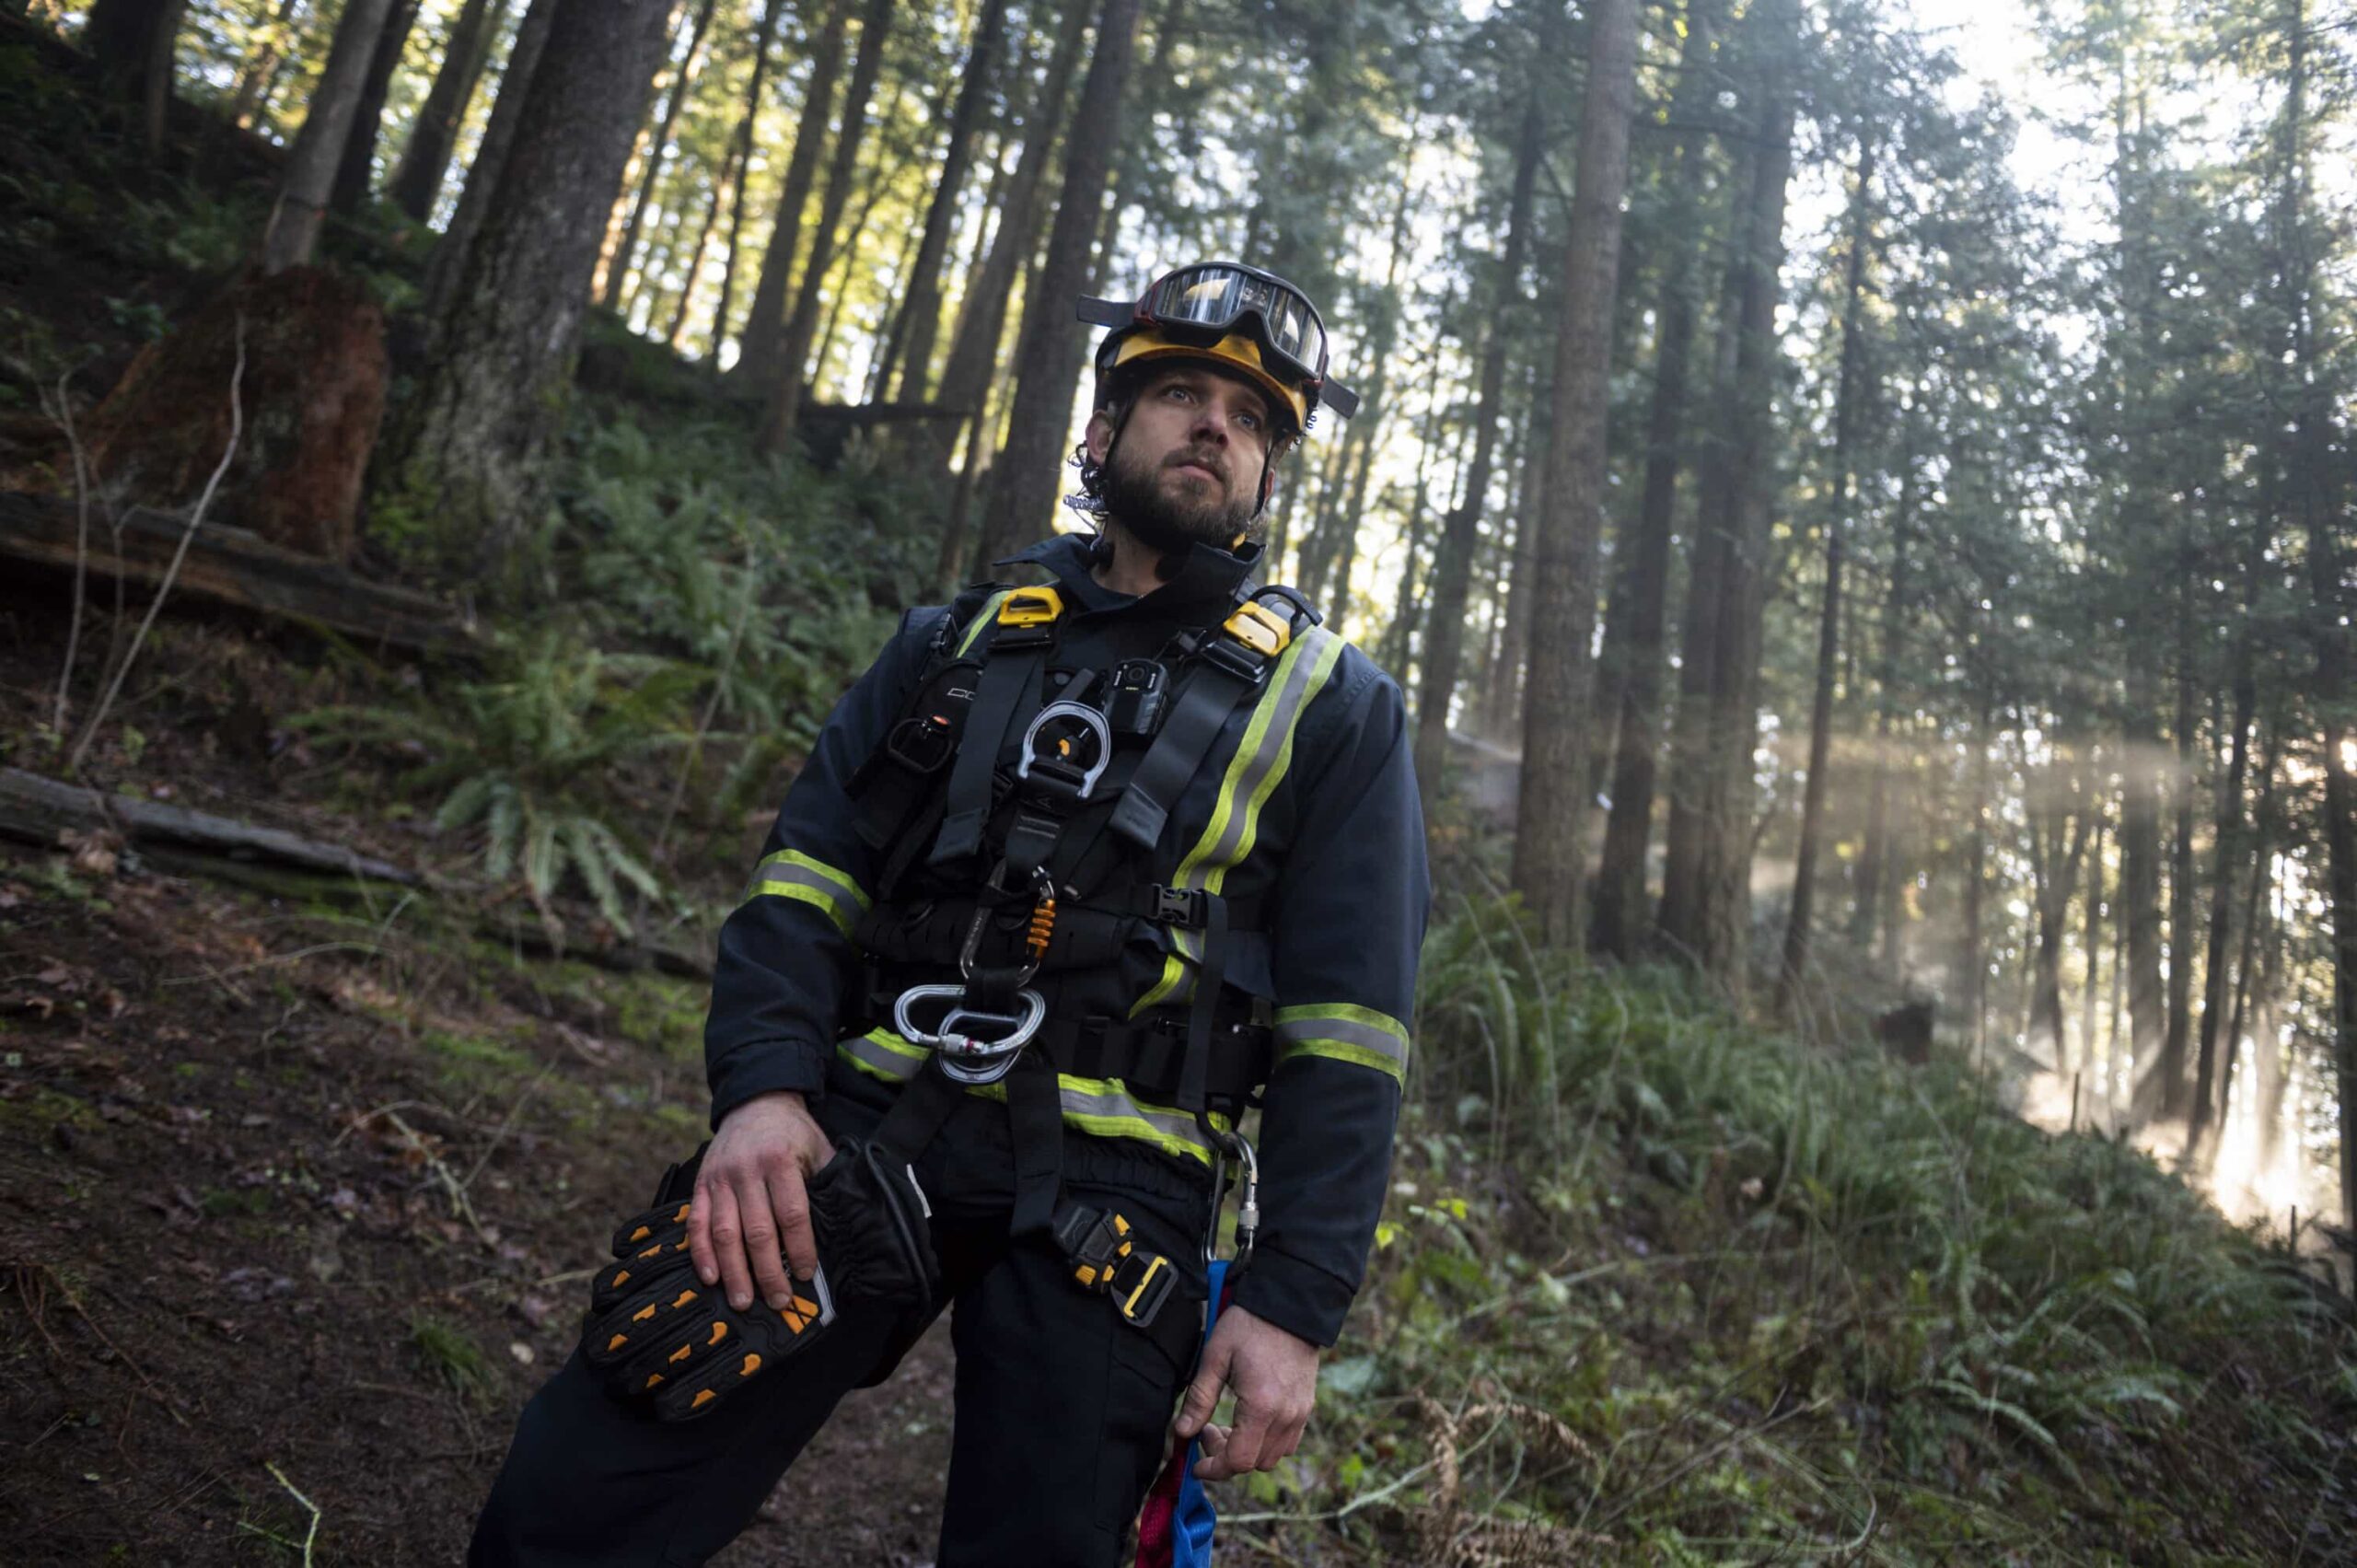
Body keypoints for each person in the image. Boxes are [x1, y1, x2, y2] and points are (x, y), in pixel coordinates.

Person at [469, 261, 1430, 1567]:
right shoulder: (953, 642)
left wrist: (1293, 1306)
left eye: (1253, 419)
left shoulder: (1336, 706)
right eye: (1183, 395)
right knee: (572, 1502)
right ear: (1100, 434)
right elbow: (806, 879)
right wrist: (761, 1091)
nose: (1217, 426)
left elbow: (1352, 1030)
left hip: (1122, 1194)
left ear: (1266, 477)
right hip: (860, 1127)